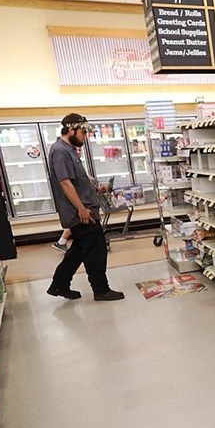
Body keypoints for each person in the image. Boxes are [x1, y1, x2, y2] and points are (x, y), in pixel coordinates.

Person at [46, 113, 124, 301]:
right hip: (81, 213)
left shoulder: (69, 150)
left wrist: (96, 190)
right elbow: (65, 183)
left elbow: (78, 181)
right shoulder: (60, 151)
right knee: (96, 250)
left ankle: (59, 285)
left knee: (79, 250)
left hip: (84, 210)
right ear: (70, 129)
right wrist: (81, 208)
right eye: (82, 132)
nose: (85, 136)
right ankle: (101, 289)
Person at [52, 147, 84, 253]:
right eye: (77, 150)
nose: (79, 152)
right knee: (77, 223)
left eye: (80, 150)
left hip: (77, 201)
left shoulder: (76, 162)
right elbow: (67, 182)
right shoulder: (63, 158)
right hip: (74, 200)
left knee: (77, 226)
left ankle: (62, 242)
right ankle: (61, 242)